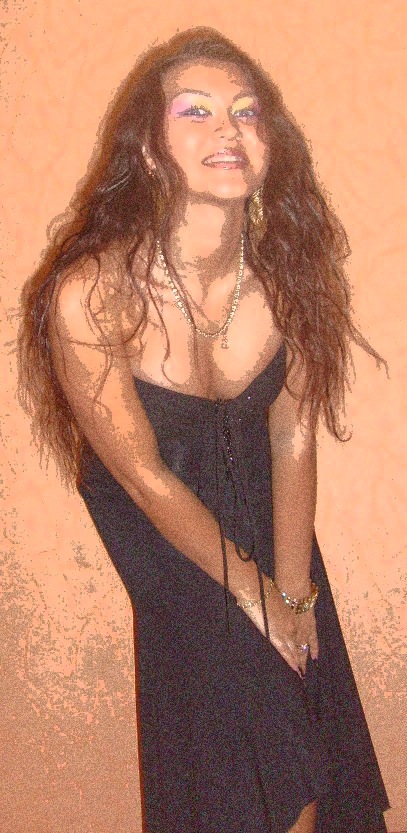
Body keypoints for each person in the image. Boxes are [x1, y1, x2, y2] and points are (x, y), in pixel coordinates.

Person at [17, 27, 390, 833]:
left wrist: (293, 597)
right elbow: (145, 475)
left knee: (301, 736)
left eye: (246, 112)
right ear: (149, 151)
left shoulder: (287, 278)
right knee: (270, 765)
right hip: (168, 549)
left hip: (273, 531)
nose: (228, 128)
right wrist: (255, 599)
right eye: (196, 111)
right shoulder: (91, 294)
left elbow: (292, 439)